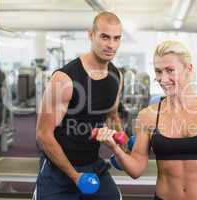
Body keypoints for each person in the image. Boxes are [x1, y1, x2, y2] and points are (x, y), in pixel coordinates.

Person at [96, 40, 197, 200]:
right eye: (158, 71)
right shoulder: (148, 116)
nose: (163, 78)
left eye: (170, 70)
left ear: (189, 69)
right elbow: (136, 171)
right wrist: (115, 148)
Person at [34, 11, 123, 200]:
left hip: (93, 164)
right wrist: (74, 176)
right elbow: (43, 134)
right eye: (105, 37)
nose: (111, 45)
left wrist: (122, 149)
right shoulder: (64, 79)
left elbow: (112, 116)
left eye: (116, 38)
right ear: (91, 35)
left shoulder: (117, 76)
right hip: (58, 171)